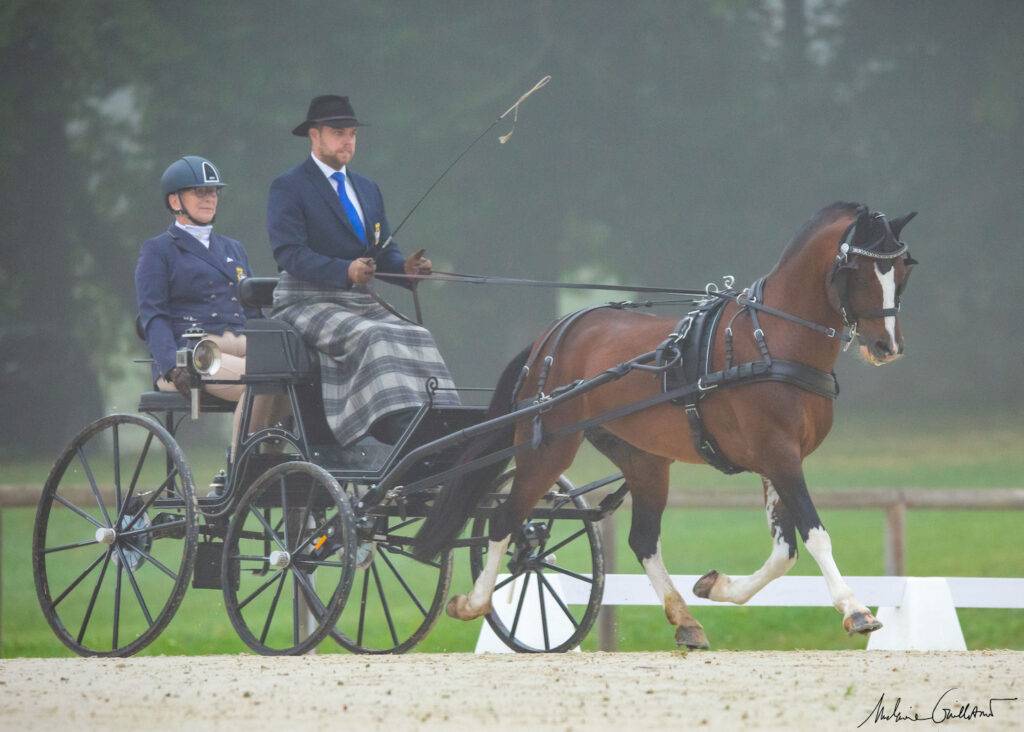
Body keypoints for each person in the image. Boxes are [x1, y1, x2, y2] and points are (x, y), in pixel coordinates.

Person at [266, 95, 459, 448]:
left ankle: (443, 426)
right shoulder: (289, 187)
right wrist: (345, 270)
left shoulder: (368, 189)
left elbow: (381, 251)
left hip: (358, 301)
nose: (348, 141)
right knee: (376, 336)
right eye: (338, 133)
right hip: (304, 301)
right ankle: (397, 430)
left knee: (418, 335)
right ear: (314, 135)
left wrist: (406, 270)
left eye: (352, 134)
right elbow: (289, 254)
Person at [135, 156, 283, 455]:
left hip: (241, 343)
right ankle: (243, 466)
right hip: (195, 353)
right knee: (261, 380)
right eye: (199, 192)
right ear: (175, 201)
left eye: (213, 192)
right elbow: (154, 316)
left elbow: (251, 309)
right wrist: (171, 365)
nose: (209, 198)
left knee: (291, 376)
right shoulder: (158, 250)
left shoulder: (233, 248)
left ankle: (273, 462)